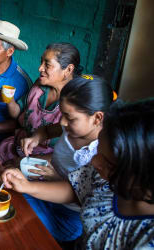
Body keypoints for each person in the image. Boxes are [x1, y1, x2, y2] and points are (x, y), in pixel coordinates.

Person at [2, 99, 154, 248]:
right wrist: (26, 186)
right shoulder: (102, 175)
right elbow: (75, 188)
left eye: (109, 163)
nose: (94, 162)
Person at [18, 75, 115, 242]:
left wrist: (51, 178)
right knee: (13, 199)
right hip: (44, 190)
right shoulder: (69, 127)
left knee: (20, 218)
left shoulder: (101, 153)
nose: (62, 122)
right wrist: (35, 139)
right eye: (62, 114)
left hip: (67, 217)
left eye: (69, 118)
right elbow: (47, 131)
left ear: (97, 118)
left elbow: (79, 195)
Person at [0, 42, 82, 164]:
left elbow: (71, 155)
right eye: (41, 62)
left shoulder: (77, 102)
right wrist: (9, 100)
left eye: (47, 64)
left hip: (45, 162)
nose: (40, 68)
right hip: (18, 145)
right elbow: (19, 115)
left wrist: (21, 162)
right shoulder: (40, 85)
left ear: (68, 69)